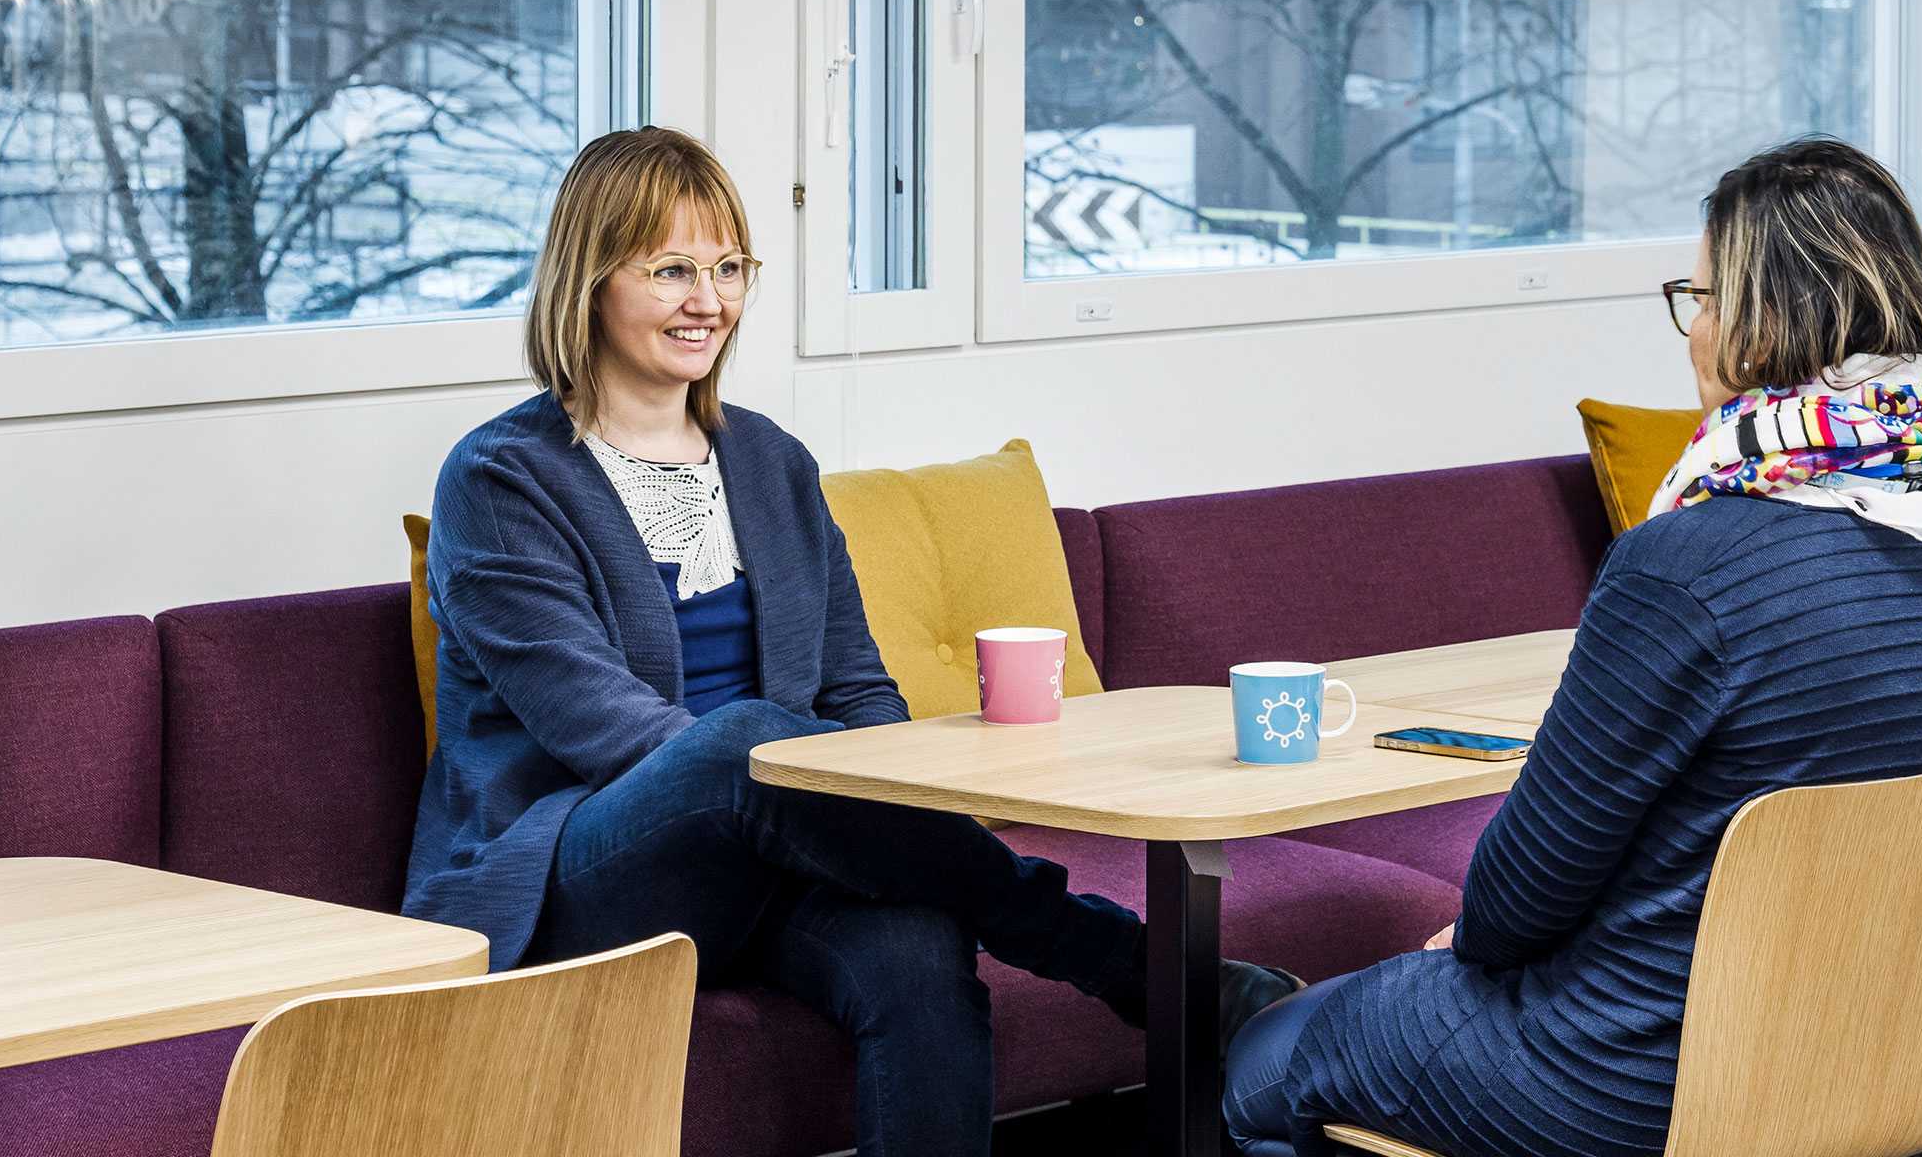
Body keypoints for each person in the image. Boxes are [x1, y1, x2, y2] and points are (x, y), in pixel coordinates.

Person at [404, 127, 1290, 1157]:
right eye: (673, 269)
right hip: (580, 876)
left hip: (783, 848)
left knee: (917, 949)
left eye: (730, 268)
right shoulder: (500, 480)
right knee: (736, 746)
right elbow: (604, 730)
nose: (711, 299)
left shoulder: (774, 464)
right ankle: (1126, 962)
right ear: (589, 279)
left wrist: (876, 797)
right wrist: (810, 789)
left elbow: (860, 689)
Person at [1218, 137, 1922, 1157]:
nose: (1690, 331)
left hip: (1626, 1069)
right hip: (1872, 1047)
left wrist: (1468, 946)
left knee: (1262, 1059)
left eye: (1699, 298)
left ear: (1759, 321)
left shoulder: (1682, 564)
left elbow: (1526, 889)